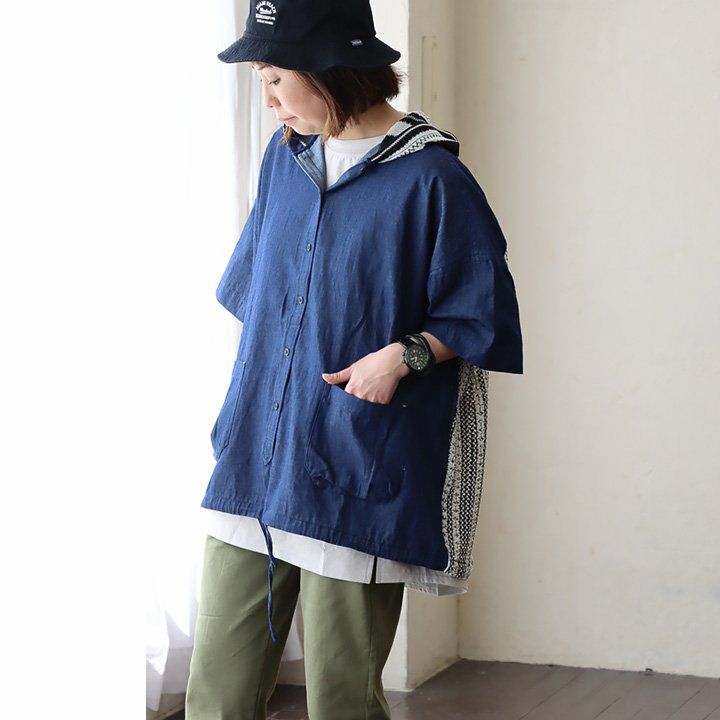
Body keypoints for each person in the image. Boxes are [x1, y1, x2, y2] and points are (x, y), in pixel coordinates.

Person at [186, 1, 524, 719]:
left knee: (341, 699)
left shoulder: (432, 179)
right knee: (216, 693)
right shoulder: (285, 159)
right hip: (256, 459)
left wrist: (402, 356)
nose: (268, 99)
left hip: (356, 467)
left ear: (329, 69)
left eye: (275, 78)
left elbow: (480, 313)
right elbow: (258, 299)